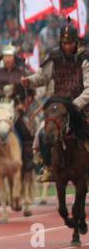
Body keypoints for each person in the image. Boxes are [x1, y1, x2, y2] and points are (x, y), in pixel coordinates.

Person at [24, 23, 89, 184]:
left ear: (76, 42)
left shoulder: (85, 59)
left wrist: (74, 105)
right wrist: (29, 81)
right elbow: (42, 77)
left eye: (71, 43)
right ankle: (48, 167)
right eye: (65, 43)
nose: (68, 46)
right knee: (42, 132)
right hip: (59, 105)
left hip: (81, 105)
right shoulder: (54, 58)